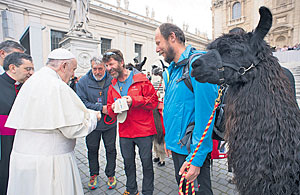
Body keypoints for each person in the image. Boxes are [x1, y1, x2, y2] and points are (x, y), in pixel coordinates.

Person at [5, 48, 101, 195]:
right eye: (73, 69)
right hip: (50, 163)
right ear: (63, 66)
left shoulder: (33, 81)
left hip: (24, 159)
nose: (73, 75)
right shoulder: (57, 86)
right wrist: (94, 117)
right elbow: (73, 129)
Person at [155, 23, 218, 195]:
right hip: (177, 149)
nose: (157, 49)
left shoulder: (198, 64)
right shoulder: (173, 70)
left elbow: (206, 116)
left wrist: (196, 160)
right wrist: (168, 138)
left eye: (159, 43)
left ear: (172, 37)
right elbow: (171, 109)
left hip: (192, 152)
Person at [103, 49, 158, 195]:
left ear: (121, 63)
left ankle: (147, 192)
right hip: (125, 132)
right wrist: (113, 109)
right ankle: (131, 190)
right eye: (106, 66)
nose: (108, 69)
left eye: (111, 64)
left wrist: (134, 100)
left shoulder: (140, 79)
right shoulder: (112, 85)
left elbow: (153, 102)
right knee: (128, 163)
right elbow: (109, 108)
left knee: (146, 163)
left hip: (143, 130)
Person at [76, 56, 117, 190]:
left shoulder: (112, 80)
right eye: (95, 68)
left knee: (111, 149)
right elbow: (82, 103)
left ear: (105, 67)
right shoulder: (83, 82)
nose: (98, 72)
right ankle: (93, 174)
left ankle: (111, 174)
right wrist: (100, 108)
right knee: (92, 149)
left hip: (109, 123)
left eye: (100, 68)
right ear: (91, 67)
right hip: (92, 124)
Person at [0, 52, 33, 195]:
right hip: (4, 141)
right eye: (27, 69)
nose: (31, 73)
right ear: (13, 68)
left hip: (23, 141)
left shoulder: (25, 86)